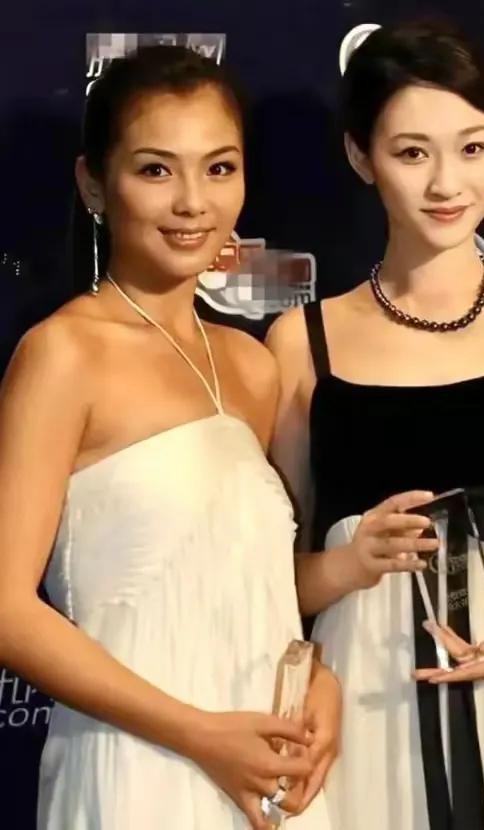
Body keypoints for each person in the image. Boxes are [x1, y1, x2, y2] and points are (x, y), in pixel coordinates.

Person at [267, 18, 484, 830]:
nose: (447, 183)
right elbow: (270, 587)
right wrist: (351, 563)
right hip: (361, 708)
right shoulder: (302, 343)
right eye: (412, 153)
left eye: (472, 148)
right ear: (361, 157)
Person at [0, 46, 338, 830]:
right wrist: (199, 735)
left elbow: (259, 582)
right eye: (156, 170)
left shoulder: (252, 366)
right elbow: (8, 610)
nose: (192, 202)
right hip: (137, 772)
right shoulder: (64, 354)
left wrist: (318, 673)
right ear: (94, 184)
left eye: (219, 168)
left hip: (270, 776)